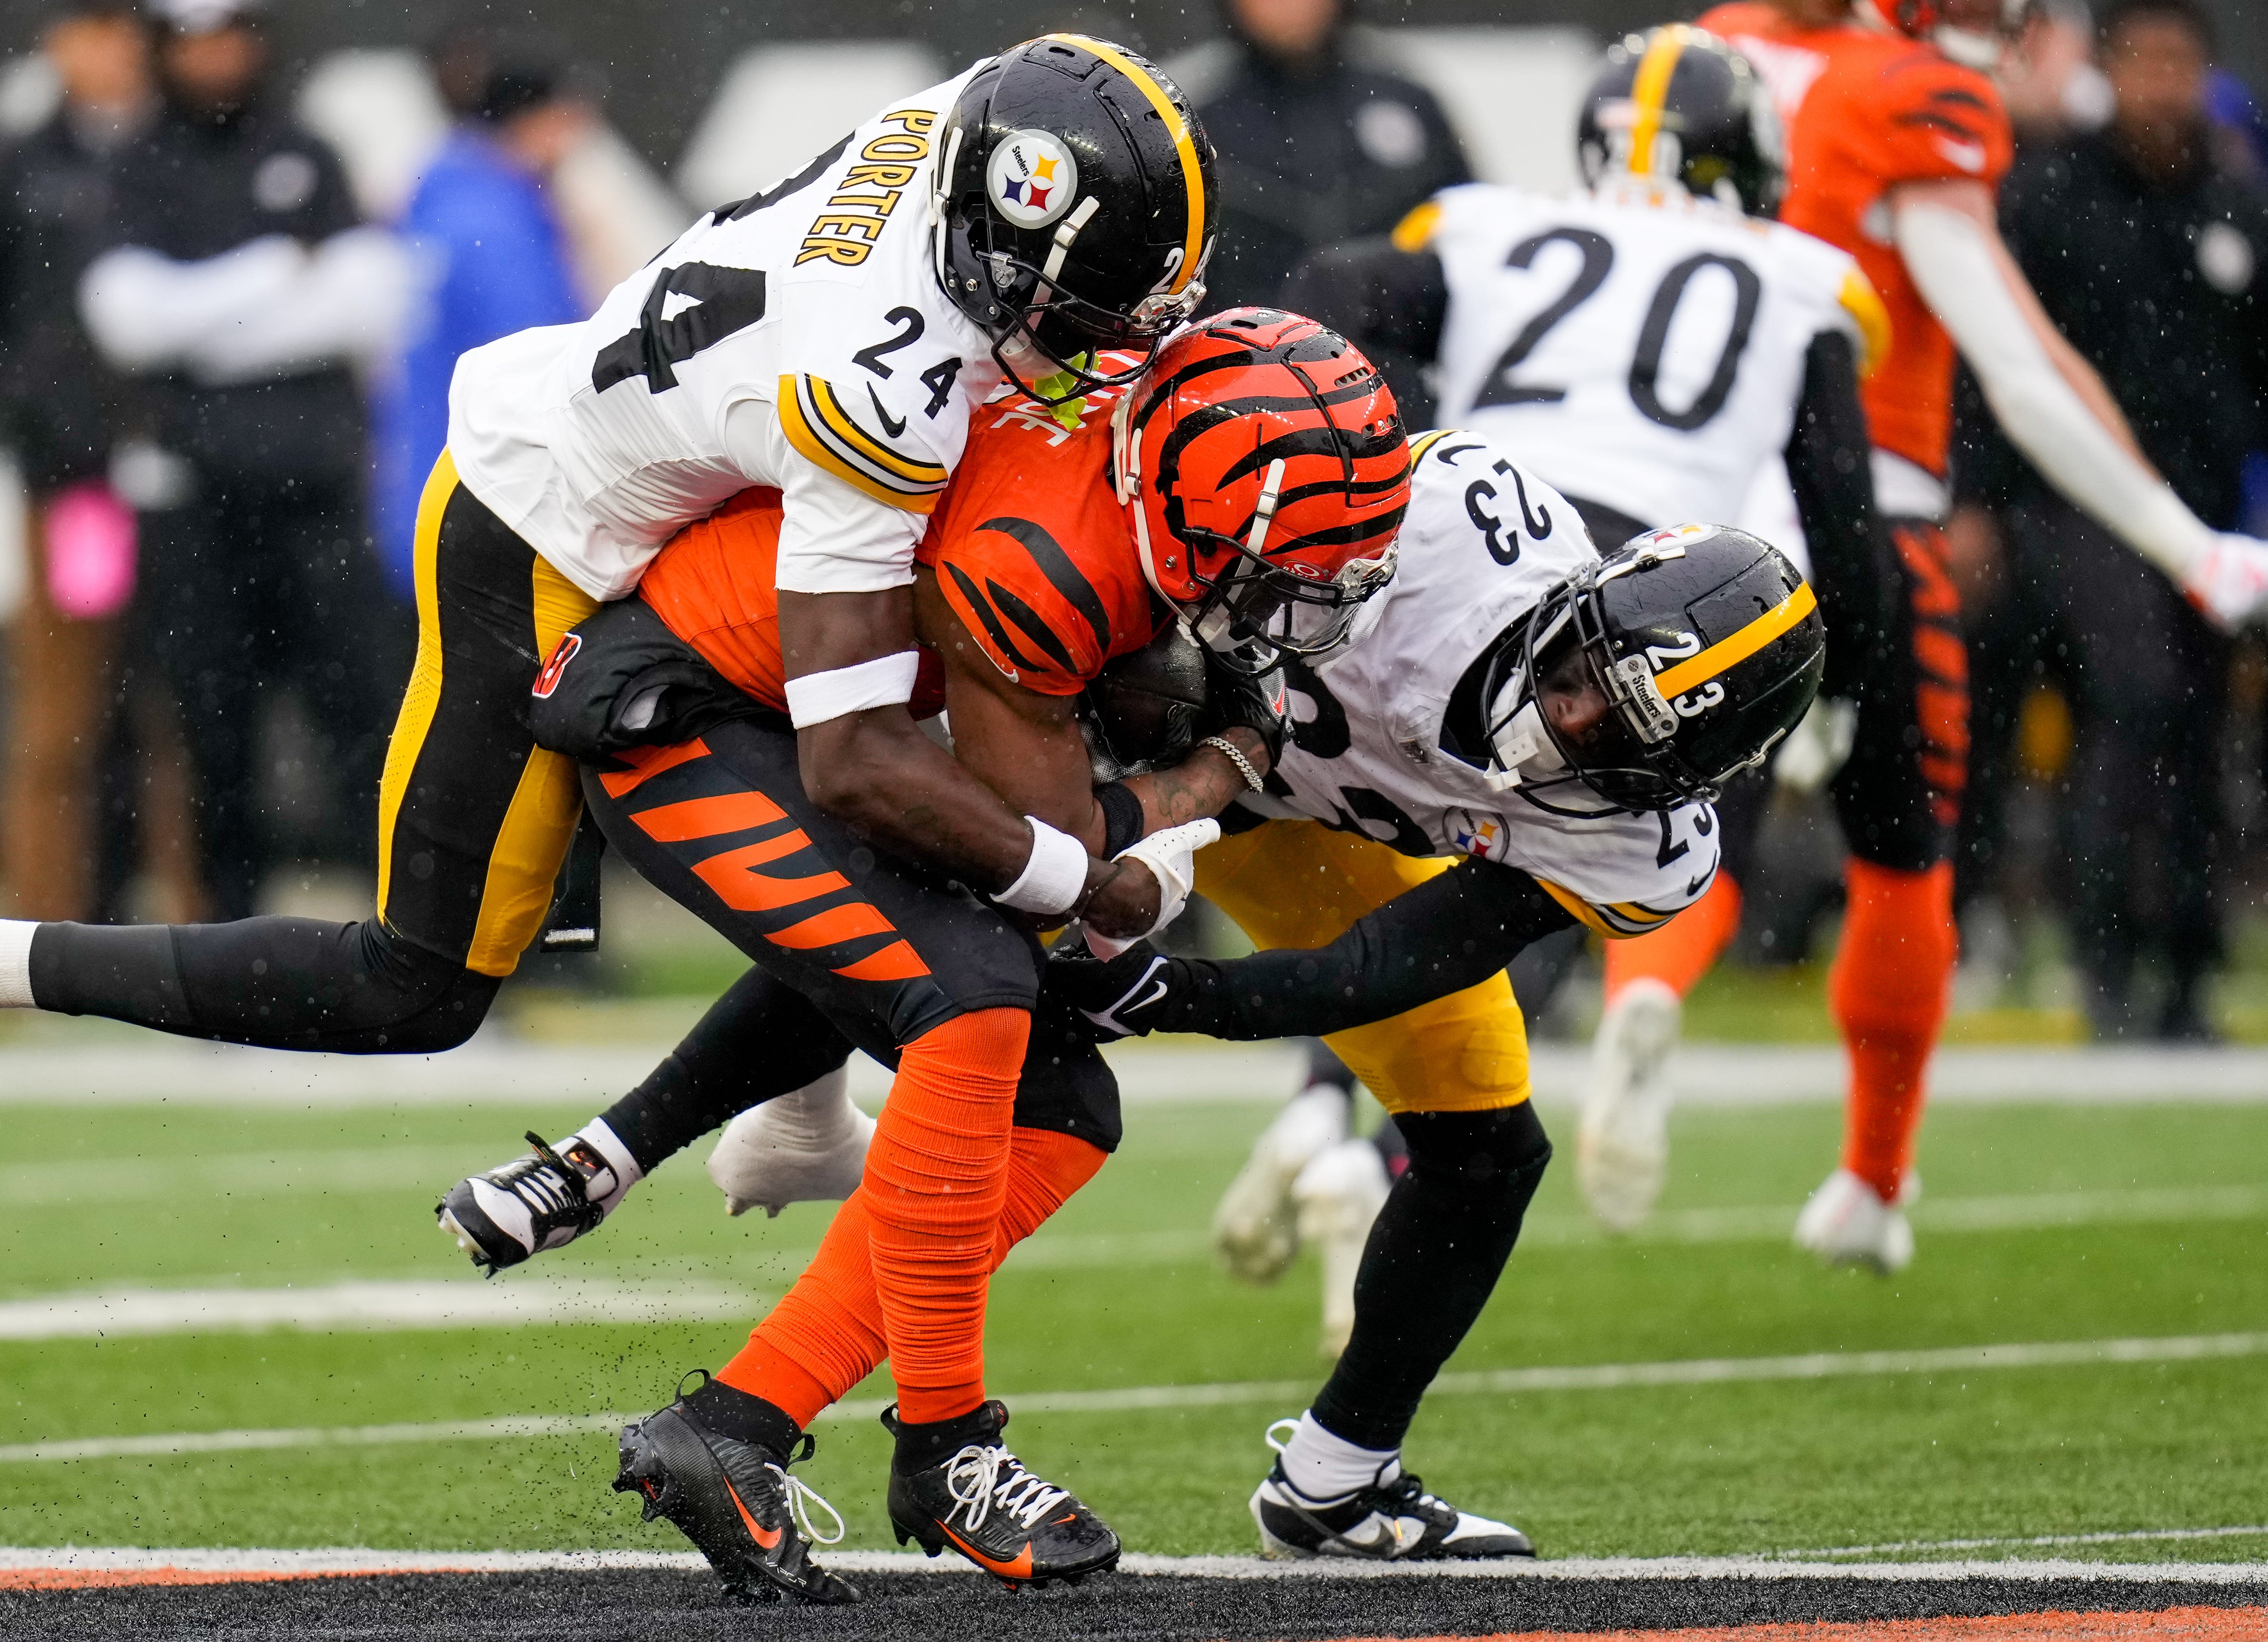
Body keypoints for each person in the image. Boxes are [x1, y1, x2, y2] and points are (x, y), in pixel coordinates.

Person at [0, 29, 1218, 1605]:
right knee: (419, 983)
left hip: (689, 504)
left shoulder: (985, 112)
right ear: (991, 243)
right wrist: (1079, 879)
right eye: (1078, 312)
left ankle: (802, 1129)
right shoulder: (882, 381)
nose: (1097, 348)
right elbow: (850, 760)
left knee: (914, 921)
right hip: (550, 544)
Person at [458, 423, 1823, 1572]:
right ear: (1581, 599)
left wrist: (1171, 991)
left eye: (1614, 739)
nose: (1565, 724)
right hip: (1134, 748)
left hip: (1306, 831)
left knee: (1481, 1143)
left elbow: (1386, 964)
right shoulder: (1444, 527)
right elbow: (1202, 538)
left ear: (1687, 782)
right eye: (1578, 681)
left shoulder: (1642, 844)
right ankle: (627, 1163)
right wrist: (1127, 754)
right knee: (959, 971)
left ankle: (1336, 1482)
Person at [440, 310, 1406, 1599]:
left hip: (819, 723)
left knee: (1059, 1104)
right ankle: (945, 1446)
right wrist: (1210, 773)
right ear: (1178, 503)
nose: (1289, 601)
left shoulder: (1122, 456)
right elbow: (1064, 853)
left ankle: (732, 1418)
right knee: (974, 994)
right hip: (696, 718)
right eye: (1274, 565)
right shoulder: (1049, 555)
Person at [1570, 0, 2268, 1273]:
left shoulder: (1712, 50)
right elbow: (2022, 369)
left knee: (1680, 820)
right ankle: (1870, 1180)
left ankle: (1641, 993)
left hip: (1687, 517)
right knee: (1903, 853)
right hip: (1866, 508)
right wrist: (2185, 544)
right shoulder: (1910, 98)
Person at [1274, 27, 1885, 1247]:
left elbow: (1327, 294)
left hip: (1467, 537)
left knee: (1359, 797)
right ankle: (1393, 1146)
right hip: (1644, 596)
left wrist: (1364, 442)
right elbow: (1844, 521)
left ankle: (1322, 1099)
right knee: (1540, 863)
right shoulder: (1798, 280)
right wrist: (1844, 686)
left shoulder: (1492, 226)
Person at [1958, 0, 2268, 1038]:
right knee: (2134, 698)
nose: (2161, 86)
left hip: (2205, 511)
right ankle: (2103, 957)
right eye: (2143, 62)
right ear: (2108, 70)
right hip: (2073, 504)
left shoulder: (2233, 201)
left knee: (2197, 722)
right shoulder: (2046, 194)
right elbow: (1990, 361)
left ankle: (2184, 968)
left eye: (2179, 64)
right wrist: (1974, 500)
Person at [73, 0, 411, 920]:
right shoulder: (134, 165)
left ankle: (407, 942)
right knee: (212, 738)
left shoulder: (308, 151)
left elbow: (373, 299)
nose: (215, 59)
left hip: (319, 498)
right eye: (194, 42)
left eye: (230, 37)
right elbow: (128, 322)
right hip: (195, 503)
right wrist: (276, 274)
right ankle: (232, 953)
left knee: (366, 725)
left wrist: (201, 322)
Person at [0, 1, 153, 923]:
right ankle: (36, 931)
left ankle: (199, 940)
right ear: (56, 42)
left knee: (184, 715)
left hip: (188, 488)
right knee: (66, 714)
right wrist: (45, 407)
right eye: (91, 29)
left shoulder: (180, 153)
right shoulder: (16, 165)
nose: (111, 52)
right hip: (82, 494)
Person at [371, 55, 596, 594]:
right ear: (534, 120)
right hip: (490, 511)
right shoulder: (498, 228)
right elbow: (545, 370)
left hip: (432, 495)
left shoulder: (449, 199)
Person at [1185, 0, 1472, 309]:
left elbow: (1477, 229)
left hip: (1400, 331)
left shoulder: (1407, 103)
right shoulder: (1199, 125)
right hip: (1256, 335)